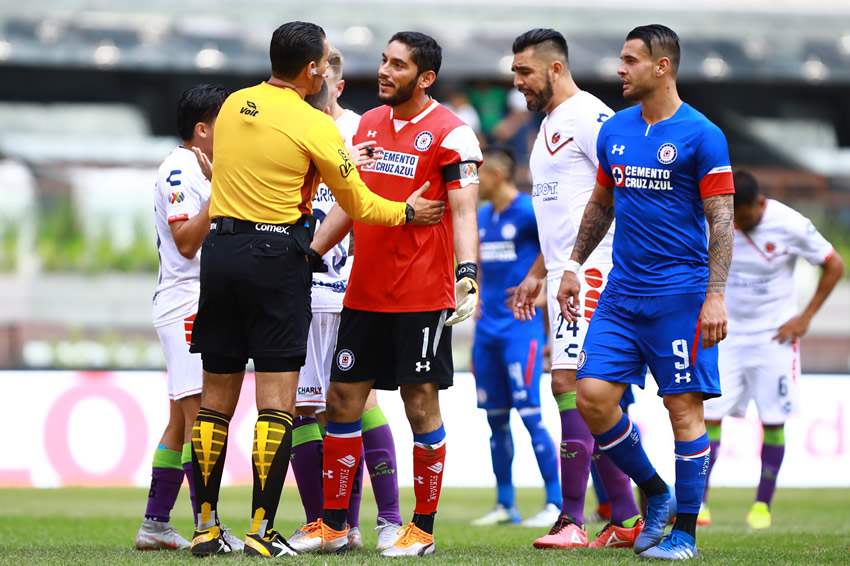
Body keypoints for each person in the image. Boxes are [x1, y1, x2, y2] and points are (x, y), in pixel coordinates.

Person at [186, 21, 443, 558]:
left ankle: (206, 528)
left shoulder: (232, 107)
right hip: (276, 256)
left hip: (221, 253)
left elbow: (265, 168)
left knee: (214, 404)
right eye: (324, 62)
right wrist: (407, 211)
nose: (326, 70)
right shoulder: (314, 123)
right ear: (312, 70)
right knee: (277, 405)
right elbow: (359, 203)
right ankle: (261, 530)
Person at [290, 31, 482, 557]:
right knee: (341, 400)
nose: (384, 71)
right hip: (364, 292)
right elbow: (350, 204)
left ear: (425, 78)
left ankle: (421, 529)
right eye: (383, 60)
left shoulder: (453, 133)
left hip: (422, 296)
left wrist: (467, 272)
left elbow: (464, 210)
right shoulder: (367, 125)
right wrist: (309, 255)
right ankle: (334, 525)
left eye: (398, 64)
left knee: (420, 406)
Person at [558, 24, 736, 560]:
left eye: (631, 60)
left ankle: (685, 534)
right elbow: (601, 203)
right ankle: (657, 494)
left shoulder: (703, 134)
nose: (621, 68)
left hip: (680, 296)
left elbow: (721, 220)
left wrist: (716, 294)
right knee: (591, 398)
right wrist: (572, 264)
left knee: (683, 411)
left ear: (662, 67)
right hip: (621, 294)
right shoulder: (615, 129)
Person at [508, 28, 644, 549]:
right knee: (590, 395)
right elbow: (562, 216)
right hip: (565, 272)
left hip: (594, 272)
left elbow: (622, 194)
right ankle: (625, 519)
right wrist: (538, 271)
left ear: (556, 68)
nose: (518, 82)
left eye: (525, 72)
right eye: (515, 72)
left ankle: (572, 520)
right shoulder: (547, 125)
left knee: (572, 384)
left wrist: (583, 266)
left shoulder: (590, 117)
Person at [289, 49, 404, 552]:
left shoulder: (362, 130)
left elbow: (368, 206)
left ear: (337, 86)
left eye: (322, 82)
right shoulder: (293, 128)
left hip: (350, 292)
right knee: (304, 408)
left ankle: (386, 519)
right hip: (300, 291)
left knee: (360, 402)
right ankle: (331, 523)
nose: (313, 89)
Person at [702, 170, 844, 528]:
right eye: (732, 217)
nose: (737, 224)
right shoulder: (717, 220)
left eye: (743, 217)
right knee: (710, 416)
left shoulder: (789, 223)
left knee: (773, 419)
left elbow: (834, 264)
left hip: (774, 337)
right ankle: (698, 504)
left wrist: (805, 317)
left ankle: (762, 506)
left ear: (759, 204)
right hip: (726, 335)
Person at [136, 83, 243, 553]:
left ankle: (155, 525)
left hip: (197, 300)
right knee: (202, 418)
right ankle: (207, 525)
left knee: (182, 421)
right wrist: (220, 192)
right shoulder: (181, 169)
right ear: (202, 129)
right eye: (226, 122)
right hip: (186, 303)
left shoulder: (203, 166)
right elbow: (185, 242)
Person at [470, 143, 561, 528]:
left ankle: (555, 503)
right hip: (486, 331)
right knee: (496, 419)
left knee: (530, 414)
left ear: (497, 175)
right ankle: (505, 503)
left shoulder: (527, 212)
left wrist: (543, 294)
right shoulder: (482, 216)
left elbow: (557, 249)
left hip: (520, 330)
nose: (474, 183)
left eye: (479, 176)